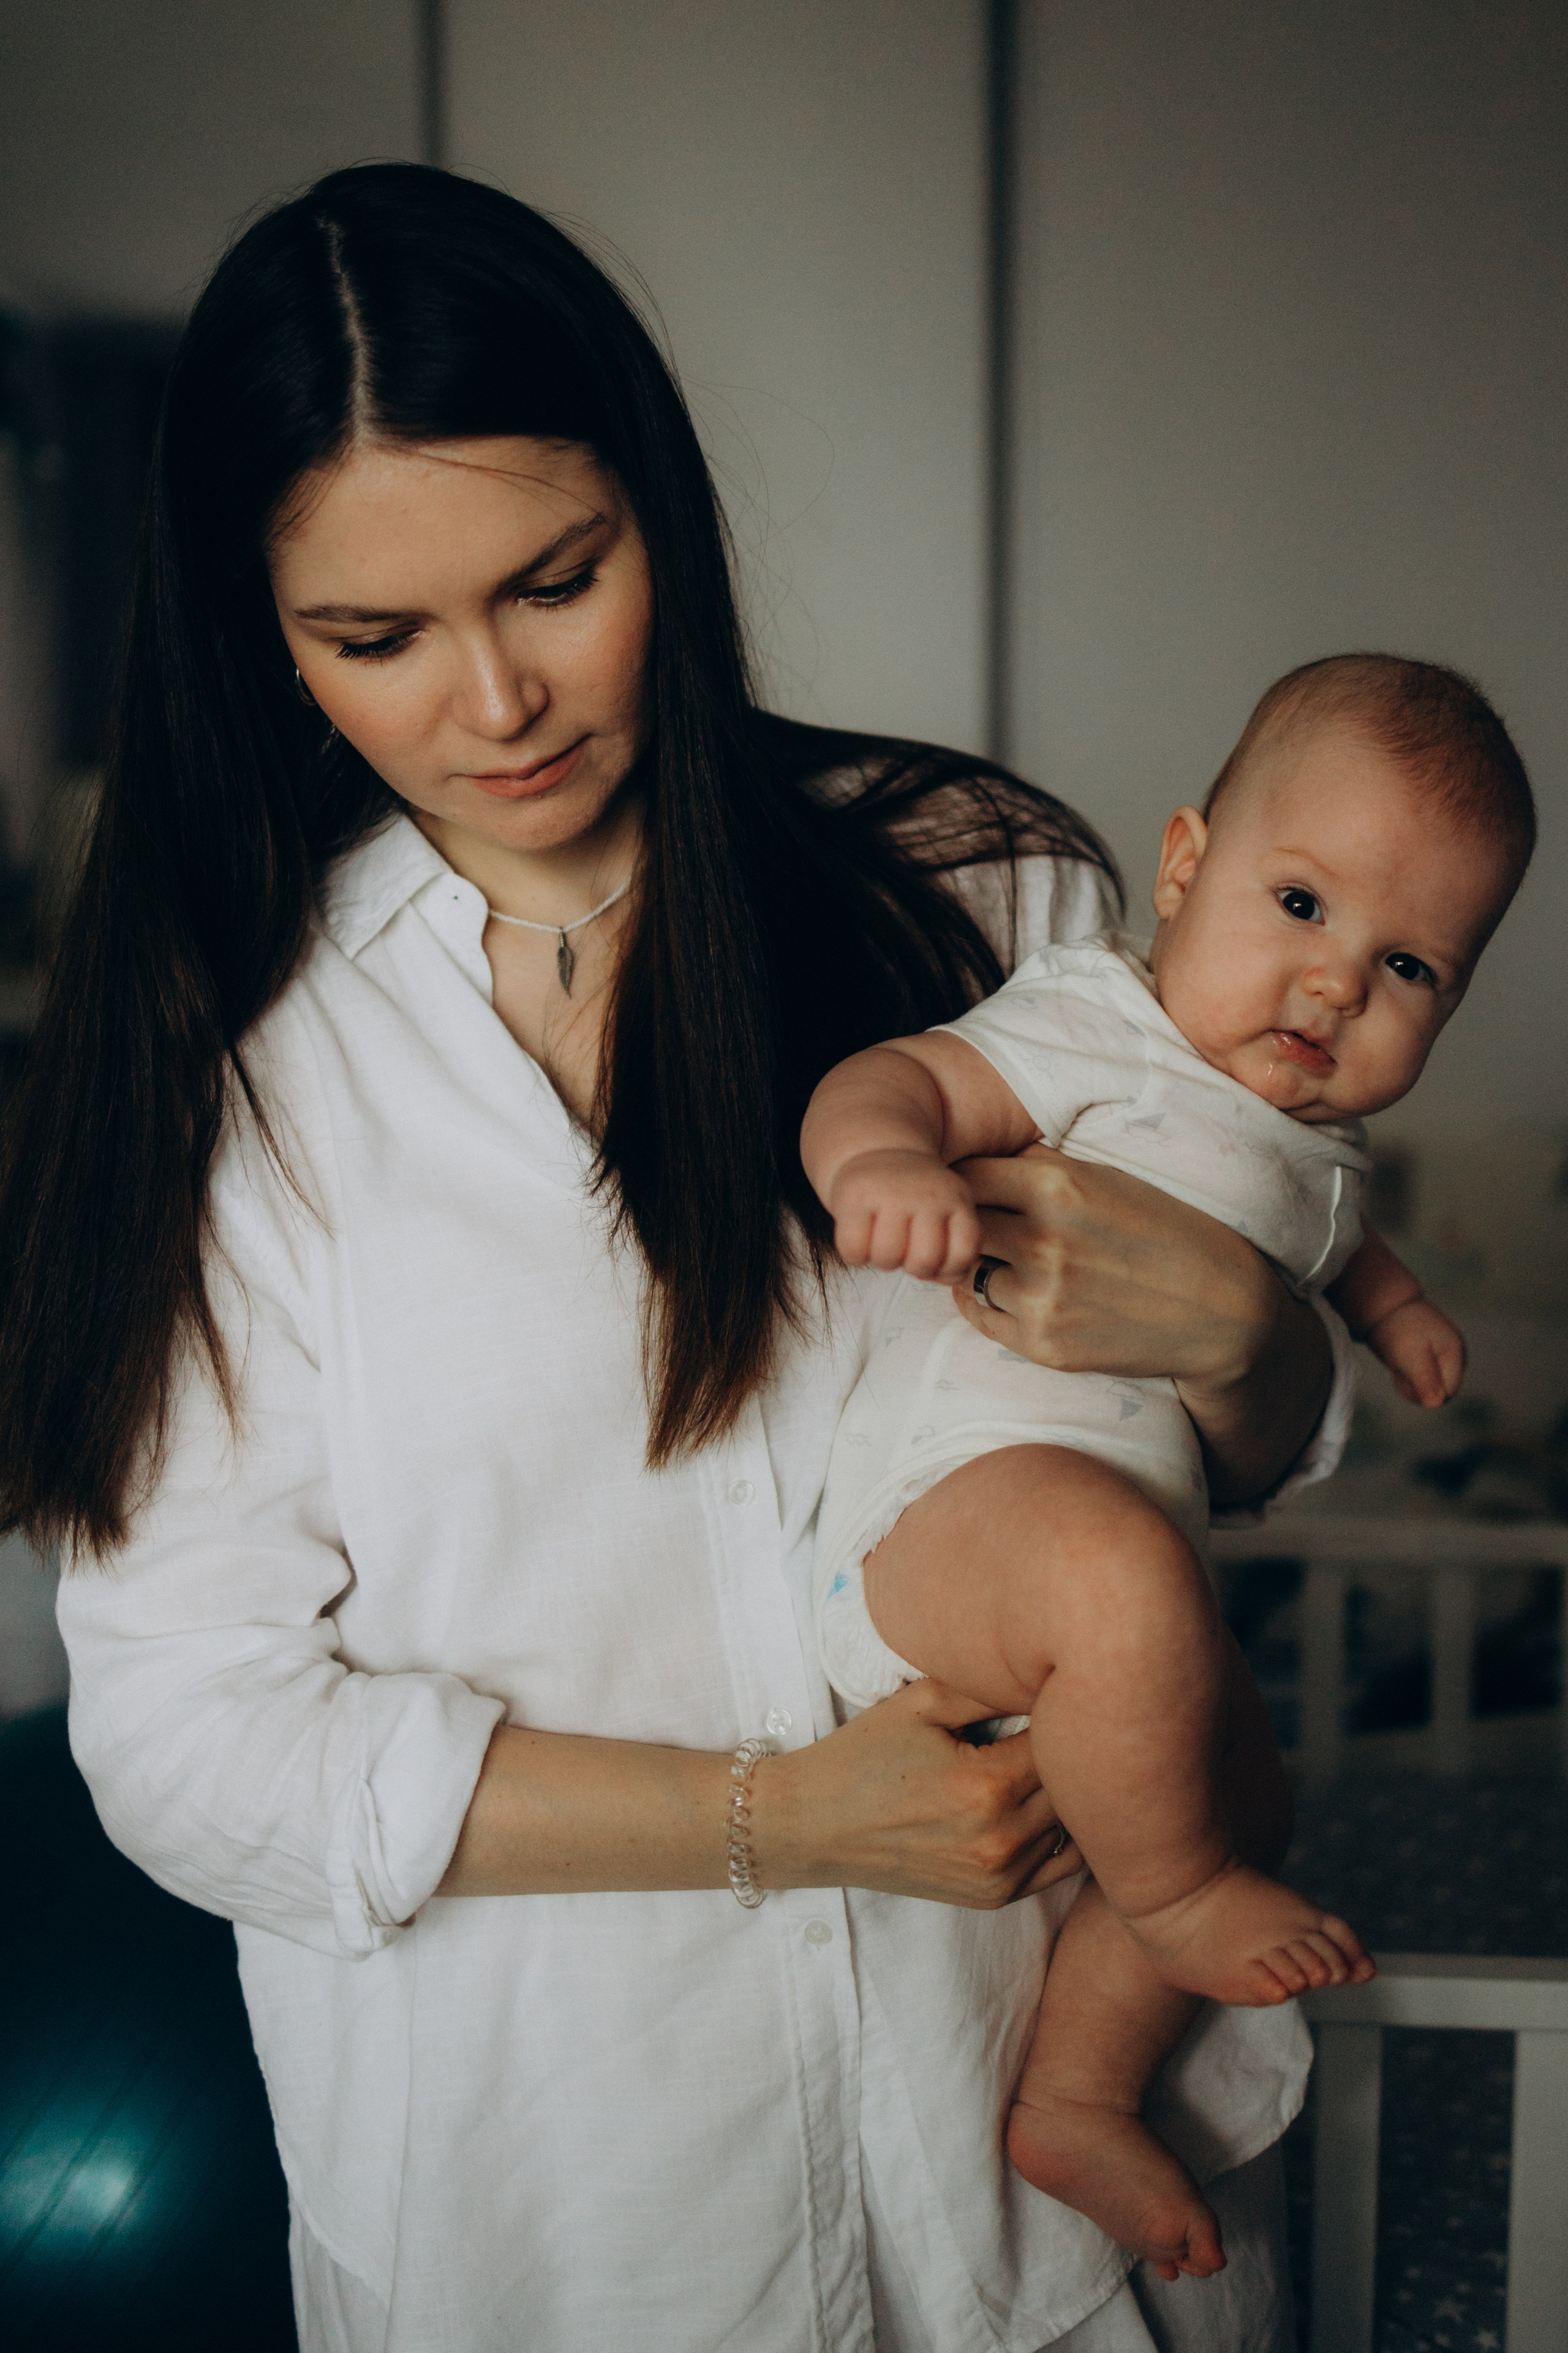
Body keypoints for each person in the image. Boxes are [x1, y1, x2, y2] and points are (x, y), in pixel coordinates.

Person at [0, 164, 1357, 2353]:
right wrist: (788, 1818)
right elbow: (190, 1736)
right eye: (375, 637)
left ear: (662, 515)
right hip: (572, 2211)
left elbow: (1229, 1452)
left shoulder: (981, 898)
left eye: (558, 579)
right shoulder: (238, 1075)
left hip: (1042, 2177)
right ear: (259, 630)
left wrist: (1256, 1335)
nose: (497, 702)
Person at [802, 654, 1532, 2281]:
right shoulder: (1095, 1020)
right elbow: (903, 1076)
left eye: (1409, 963)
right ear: (1186, 865)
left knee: (1245, 1778)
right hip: (944, 1522)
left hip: (1101, 1575)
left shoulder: (1322, 1154)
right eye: (1300, 901)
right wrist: (885, 1158)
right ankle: (1182, 1888)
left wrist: (1402, 1319)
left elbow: (1342, 1250)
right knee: (1131, 1600)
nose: (1338, 985)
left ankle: (1078, 2087)